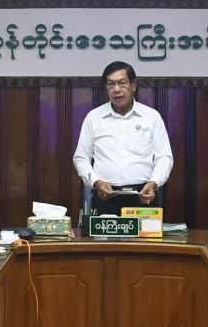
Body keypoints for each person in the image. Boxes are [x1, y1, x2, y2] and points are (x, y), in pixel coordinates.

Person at [72, 60, 173, 215]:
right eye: (111, 84)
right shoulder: (94, 117)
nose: (116, 89)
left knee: (144, 233)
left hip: (143, 196)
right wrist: (96, 182)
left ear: (134, 85)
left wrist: (154, 183)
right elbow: (81, 158)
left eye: (122, 83)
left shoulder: (151, 117)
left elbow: (164, 157)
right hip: (105, 196)